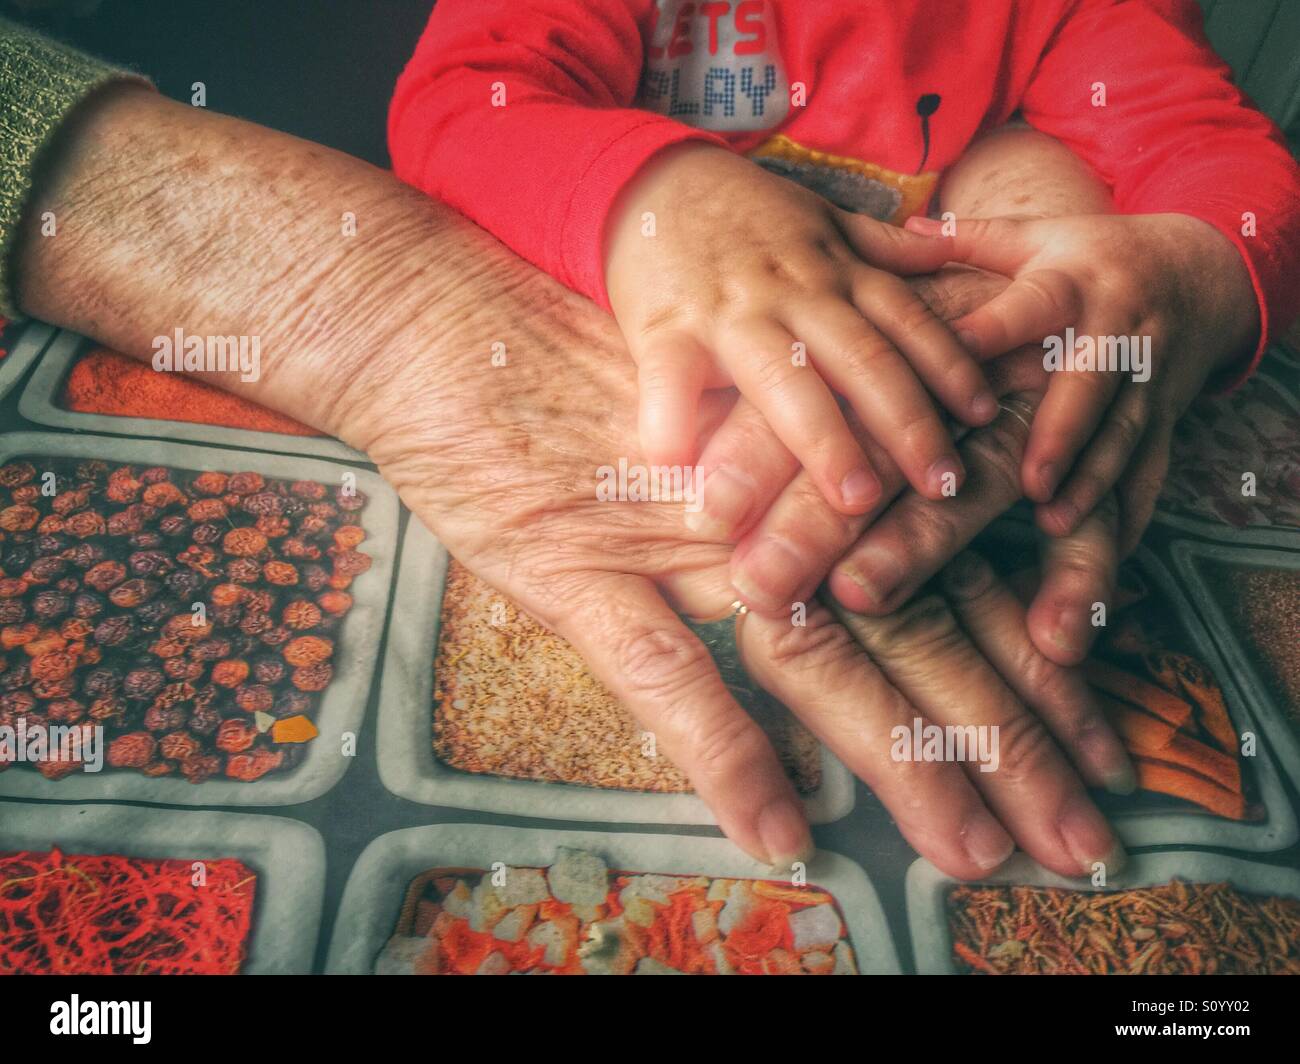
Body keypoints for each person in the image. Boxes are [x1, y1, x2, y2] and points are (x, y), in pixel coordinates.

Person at [2, 18, 1128, 877]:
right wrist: (638, 200)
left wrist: (1156, 270)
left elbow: (1190, 155)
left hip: (847, 388)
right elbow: (470, 95)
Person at [389, 0, 1300, 584]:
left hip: (895, 412)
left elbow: (1212, 152)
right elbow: (463, 102)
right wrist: (653, 198)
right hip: (615, 389)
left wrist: (1192, 266)